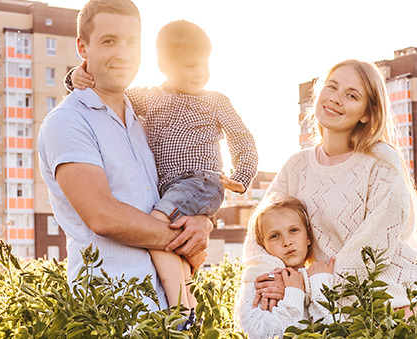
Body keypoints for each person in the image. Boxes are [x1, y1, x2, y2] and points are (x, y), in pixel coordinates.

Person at [67, 20, 258, 314]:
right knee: (174, 238)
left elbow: (242, 138)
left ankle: (181, 307)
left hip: (200, 182)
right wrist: (78, 75)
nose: (200, 73)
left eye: (204, 65)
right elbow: (106, 89)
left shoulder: (215, 101)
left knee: (155, 228)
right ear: (164, 66)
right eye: (190, 66)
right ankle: (186, 296)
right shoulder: (151, 97)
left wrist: (241, 175)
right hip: (169, 188)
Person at [37, 0, 213, 312]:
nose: (123, 53)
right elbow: (102, 216)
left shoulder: (145, 119)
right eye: (109, 41)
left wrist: (203, 222)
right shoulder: (68, 122)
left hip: (173, 316)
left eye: (132, 42)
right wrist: (183, 239)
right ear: (82, 47)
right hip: (114, 316)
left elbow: (178, 185)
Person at [237, 60, 417, 327]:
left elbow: (371, 250)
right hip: (326, 307)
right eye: (332, 87)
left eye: (351, 95)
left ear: (367, 113)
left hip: (393, 304)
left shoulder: (383, 162)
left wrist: (301, 285)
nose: (336, 99)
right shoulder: (296, 166)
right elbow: (258, 235)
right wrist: (273, 281)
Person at [238, 194, 334, 339]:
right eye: (274, 236)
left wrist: (318, 285)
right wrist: (294, 293)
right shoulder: (262, 284)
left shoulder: (316, 276)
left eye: (294, 230)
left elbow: (333, 331)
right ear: (263, 245)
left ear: (308, 236)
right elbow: (259, 334)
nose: (287, 242)